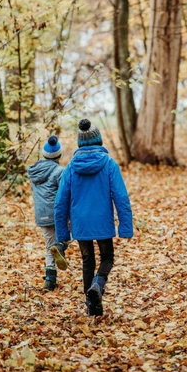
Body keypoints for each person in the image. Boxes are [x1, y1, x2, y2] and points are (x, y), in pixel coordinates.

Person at [55, 119, 133, 317]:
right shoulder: (108, 164)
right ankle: (98, 285)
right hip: (102, 222)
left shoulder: (71, 167)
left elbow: (60, 202)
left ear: (80, 144)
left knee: (87, 260)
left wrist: (62, 233)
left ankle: (91, 307)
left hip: (81, 225)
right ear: (99, 141)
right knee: (107, 257)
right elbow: (121, 197)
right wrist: (125, 227)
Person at [28, 135, 70, 291]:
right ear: (58, 155)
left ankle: (50, 281)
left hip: (41, 214)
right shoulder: (60, 171)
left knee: (48, 248)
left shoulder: (34, 172)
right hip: (57, 213)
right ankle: (61, 246)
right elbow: (65, 193)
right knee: (69, 234)